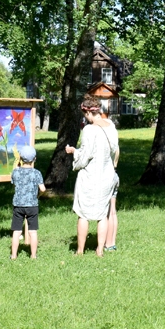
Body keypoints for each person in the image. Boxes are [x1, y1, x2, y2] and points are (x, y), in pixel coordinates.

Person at [65, 95, 119, 256]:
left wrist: (74, 155)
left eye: (84, 115)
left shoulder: (89, 129)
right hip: (107, 174)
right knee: (103, 214)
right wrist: (77, 151)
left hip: (91, 176)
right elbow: (114, 148)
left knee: (83, 214)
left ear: (88, 113)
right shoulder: (110, 125)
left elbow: (86, 155)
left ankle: (80, 251)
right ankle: (100, 250)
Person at [10, 145, 45, 259]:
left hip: (18, 205)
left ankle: (14, 255)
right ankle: (33, 255)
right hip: (32, 205)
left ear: (20, 158)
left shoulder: (16, 172)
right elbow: (43, 189)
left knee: (16, 231)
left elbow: (14, 183)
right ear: (34, 159)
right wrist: (38, 195)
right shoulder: (36, 173)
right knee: (33, 232)